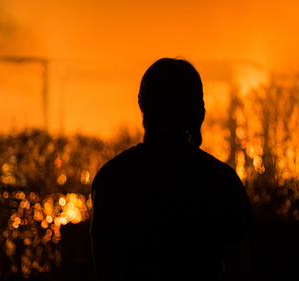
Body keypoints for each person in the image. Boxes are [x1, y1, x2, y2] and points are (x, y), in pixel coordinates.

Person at [91, 58, 256, 281]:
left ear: (144, 106)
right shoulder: (222, 182)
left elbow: (105, 271)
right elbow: (239, 271)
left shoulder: (113, 179)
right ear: (198, 111)